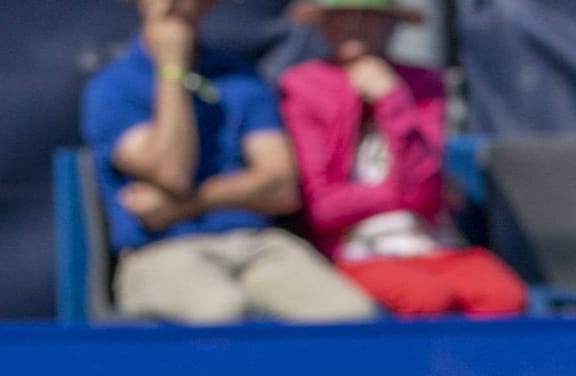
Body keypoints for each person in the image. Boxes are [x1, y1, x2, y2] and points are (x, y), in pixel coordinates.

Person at [81, 0, 378, 324]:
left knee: (354, 317)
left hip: (259, 248)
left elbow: (280, 188)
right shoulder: (111, 88)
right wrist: (172, 69)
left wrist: (184, 206)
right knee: (223, 314)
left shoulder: (243, 80)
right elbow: (172, 172)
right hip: (159, 253)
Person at [278, 0, 526, 318]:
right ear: (323, 24)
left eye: (369, 16)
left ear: (392, 24)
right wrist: (404, 196)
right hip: (353, 252)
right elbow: (323, 207)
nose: (356, 26)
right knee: (424, 298)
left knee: (501, 296)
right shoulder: (301, 85)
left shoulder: (423, 83)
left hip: (430, 243)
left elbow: (424, 186)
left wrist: (391, 99)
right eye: (342, 15)